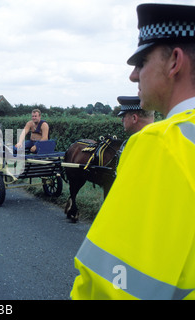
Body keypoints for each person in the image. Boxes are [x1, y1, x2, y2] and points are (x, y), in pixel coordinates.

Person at [71, 3, 195, 300]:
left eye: (142, 61)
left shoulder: (160, 143)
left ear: (174, 62)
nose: (133, 75)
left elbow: (112, 287)